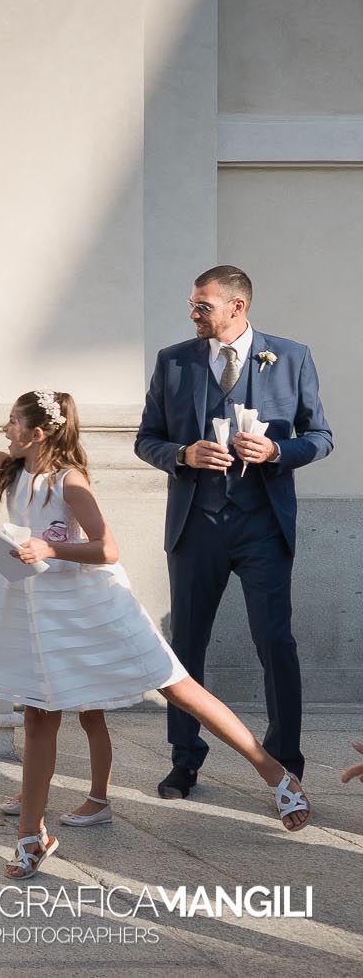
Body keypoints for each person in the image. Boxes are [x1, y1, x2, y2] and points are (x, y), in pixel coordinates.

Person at [0, 384, 311, 880]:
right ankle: (32, 835)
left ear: (39, 432)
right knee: (37, 717)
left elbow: (107, 549)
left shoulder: (70, 482)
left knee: (176, 685)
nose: (4, 429)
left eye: (12, 421)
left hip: (88, 604)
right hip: (32, 606)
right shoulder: (13, 469)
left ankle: (273, 771)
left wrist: (50, 550)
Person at [136, 264, 332, 800]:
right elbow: (145, 439)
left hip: (263, 527)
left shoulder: (291, 357)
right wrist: (182, 453)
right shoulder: (173, 362)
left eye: (203, 304)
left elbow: (320, 437)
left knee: (275, 641)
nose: (193, 312)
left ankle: (286, 762)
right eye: (193, 304)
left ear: (236, 307)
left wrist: (276, 451)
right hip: (196, 527)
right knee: (186, 648)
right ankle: (184, 759)